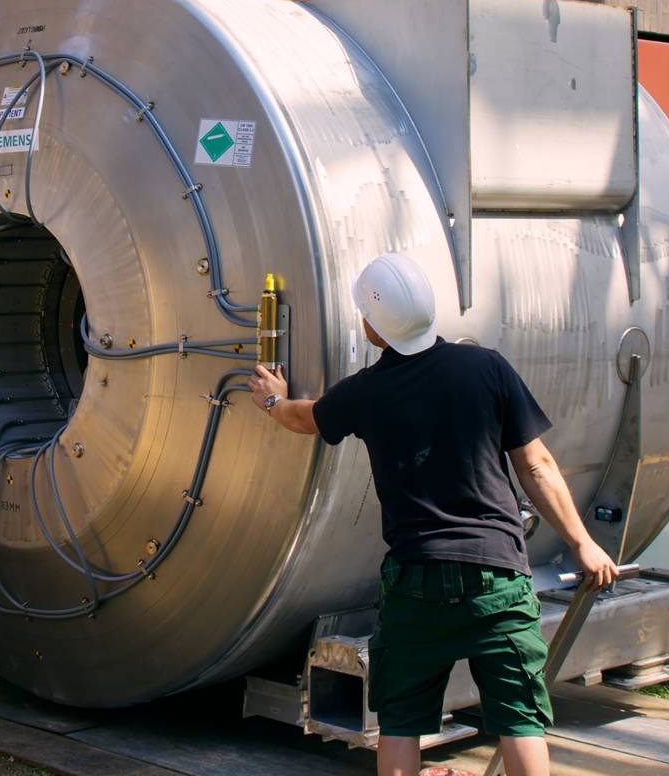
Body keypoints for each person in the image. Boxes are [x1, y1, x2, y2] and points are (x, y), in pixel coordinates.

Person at [249, 253, 618, 776]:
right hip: (497, 578)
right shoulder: (486, 366)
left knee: (401, 722)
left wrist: (270, 400)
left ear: (375, 327)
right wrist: (581, 542)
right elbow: (536, 464)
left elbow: (304, 418)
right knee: (519, 721)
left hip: (416, 581)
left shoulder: (367, 392)